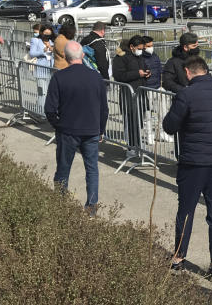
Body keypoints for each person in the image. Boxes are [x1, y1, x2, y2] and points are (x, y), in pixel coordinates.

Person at [162, 55, 212, 281]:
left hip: (193, 161)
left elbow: (169, 126)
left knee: (186, 211)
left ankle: (179, 257)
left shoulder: (186, 94)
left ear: (188, 73)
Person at [45, 40, 109, 218]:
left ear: (65, 57)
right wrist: (101, 129)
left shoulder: (59, 77)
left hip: (67, 131)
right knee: (92, 169)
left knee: (63, 168)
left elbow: (50, 109)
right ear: (82, 55)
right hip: (91, 130)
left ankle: (60, 204)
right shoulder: (96, 77)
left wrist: (58, 126)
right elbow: (104, 108)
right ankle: (91, 206)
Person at [113, 36, 149, 148]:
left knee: (139, 122)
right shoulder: (120, 58)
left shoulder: (139, 57)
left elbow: (143, 68)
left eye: (142, 49)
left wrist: (147, 73)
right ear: (131, 47)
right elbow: (119, 76)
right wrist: (137, 74)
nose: (141, 51)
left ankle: (137, 145)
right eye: (139, 48)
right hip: (128, 95)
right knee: (130, 122)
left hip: (140, 93)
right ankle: (131, 146)